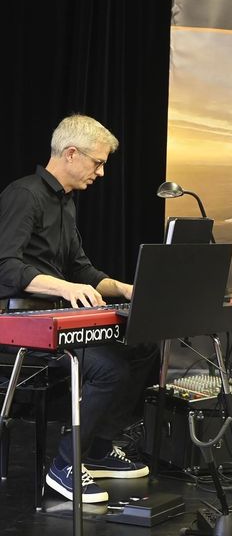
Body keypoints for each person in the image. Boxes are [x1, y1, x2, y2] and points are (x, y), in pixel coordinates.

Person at [0, 114, 157, 503]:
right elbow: (6, 266)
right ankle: (65, 466)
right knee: (109, 367)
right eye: (97, 162)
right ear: (71, 153)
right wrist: (66, 287)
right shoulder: (23, 195)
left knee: (143, 346)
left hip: (57, 318)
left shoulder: (65, 204)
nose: (101, 172)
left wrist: (126, 289)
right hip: (20, 322)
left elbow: (81, 270)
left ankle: (99, 448)